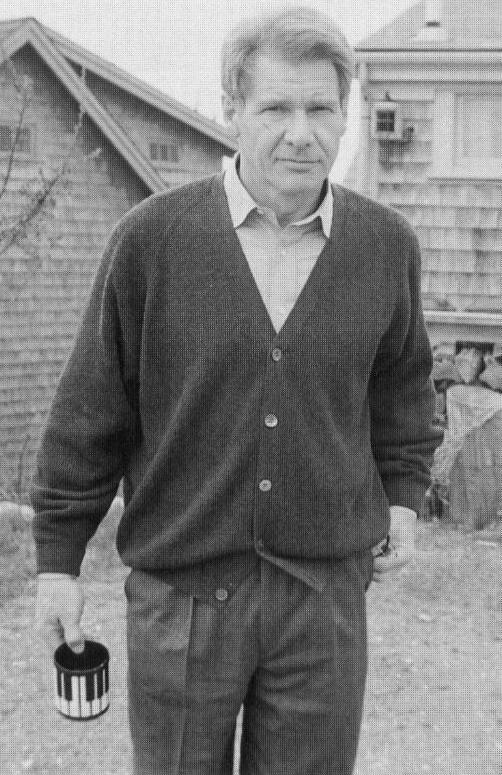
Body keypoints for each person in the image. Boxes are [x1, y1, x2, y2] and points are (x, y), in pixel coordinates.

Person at [33, 6, 442, 774]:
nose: (302, 133)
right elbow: (89, 411)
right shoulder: (151, 241)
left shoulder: (387, 247)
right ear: (232, 110)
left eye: (322, 109)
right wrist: (58, 562)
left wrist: (403, 498)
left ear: (346, 114)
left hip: (323, 602)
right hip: (180, 600)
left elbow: (403, 391)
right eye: (276, 108)